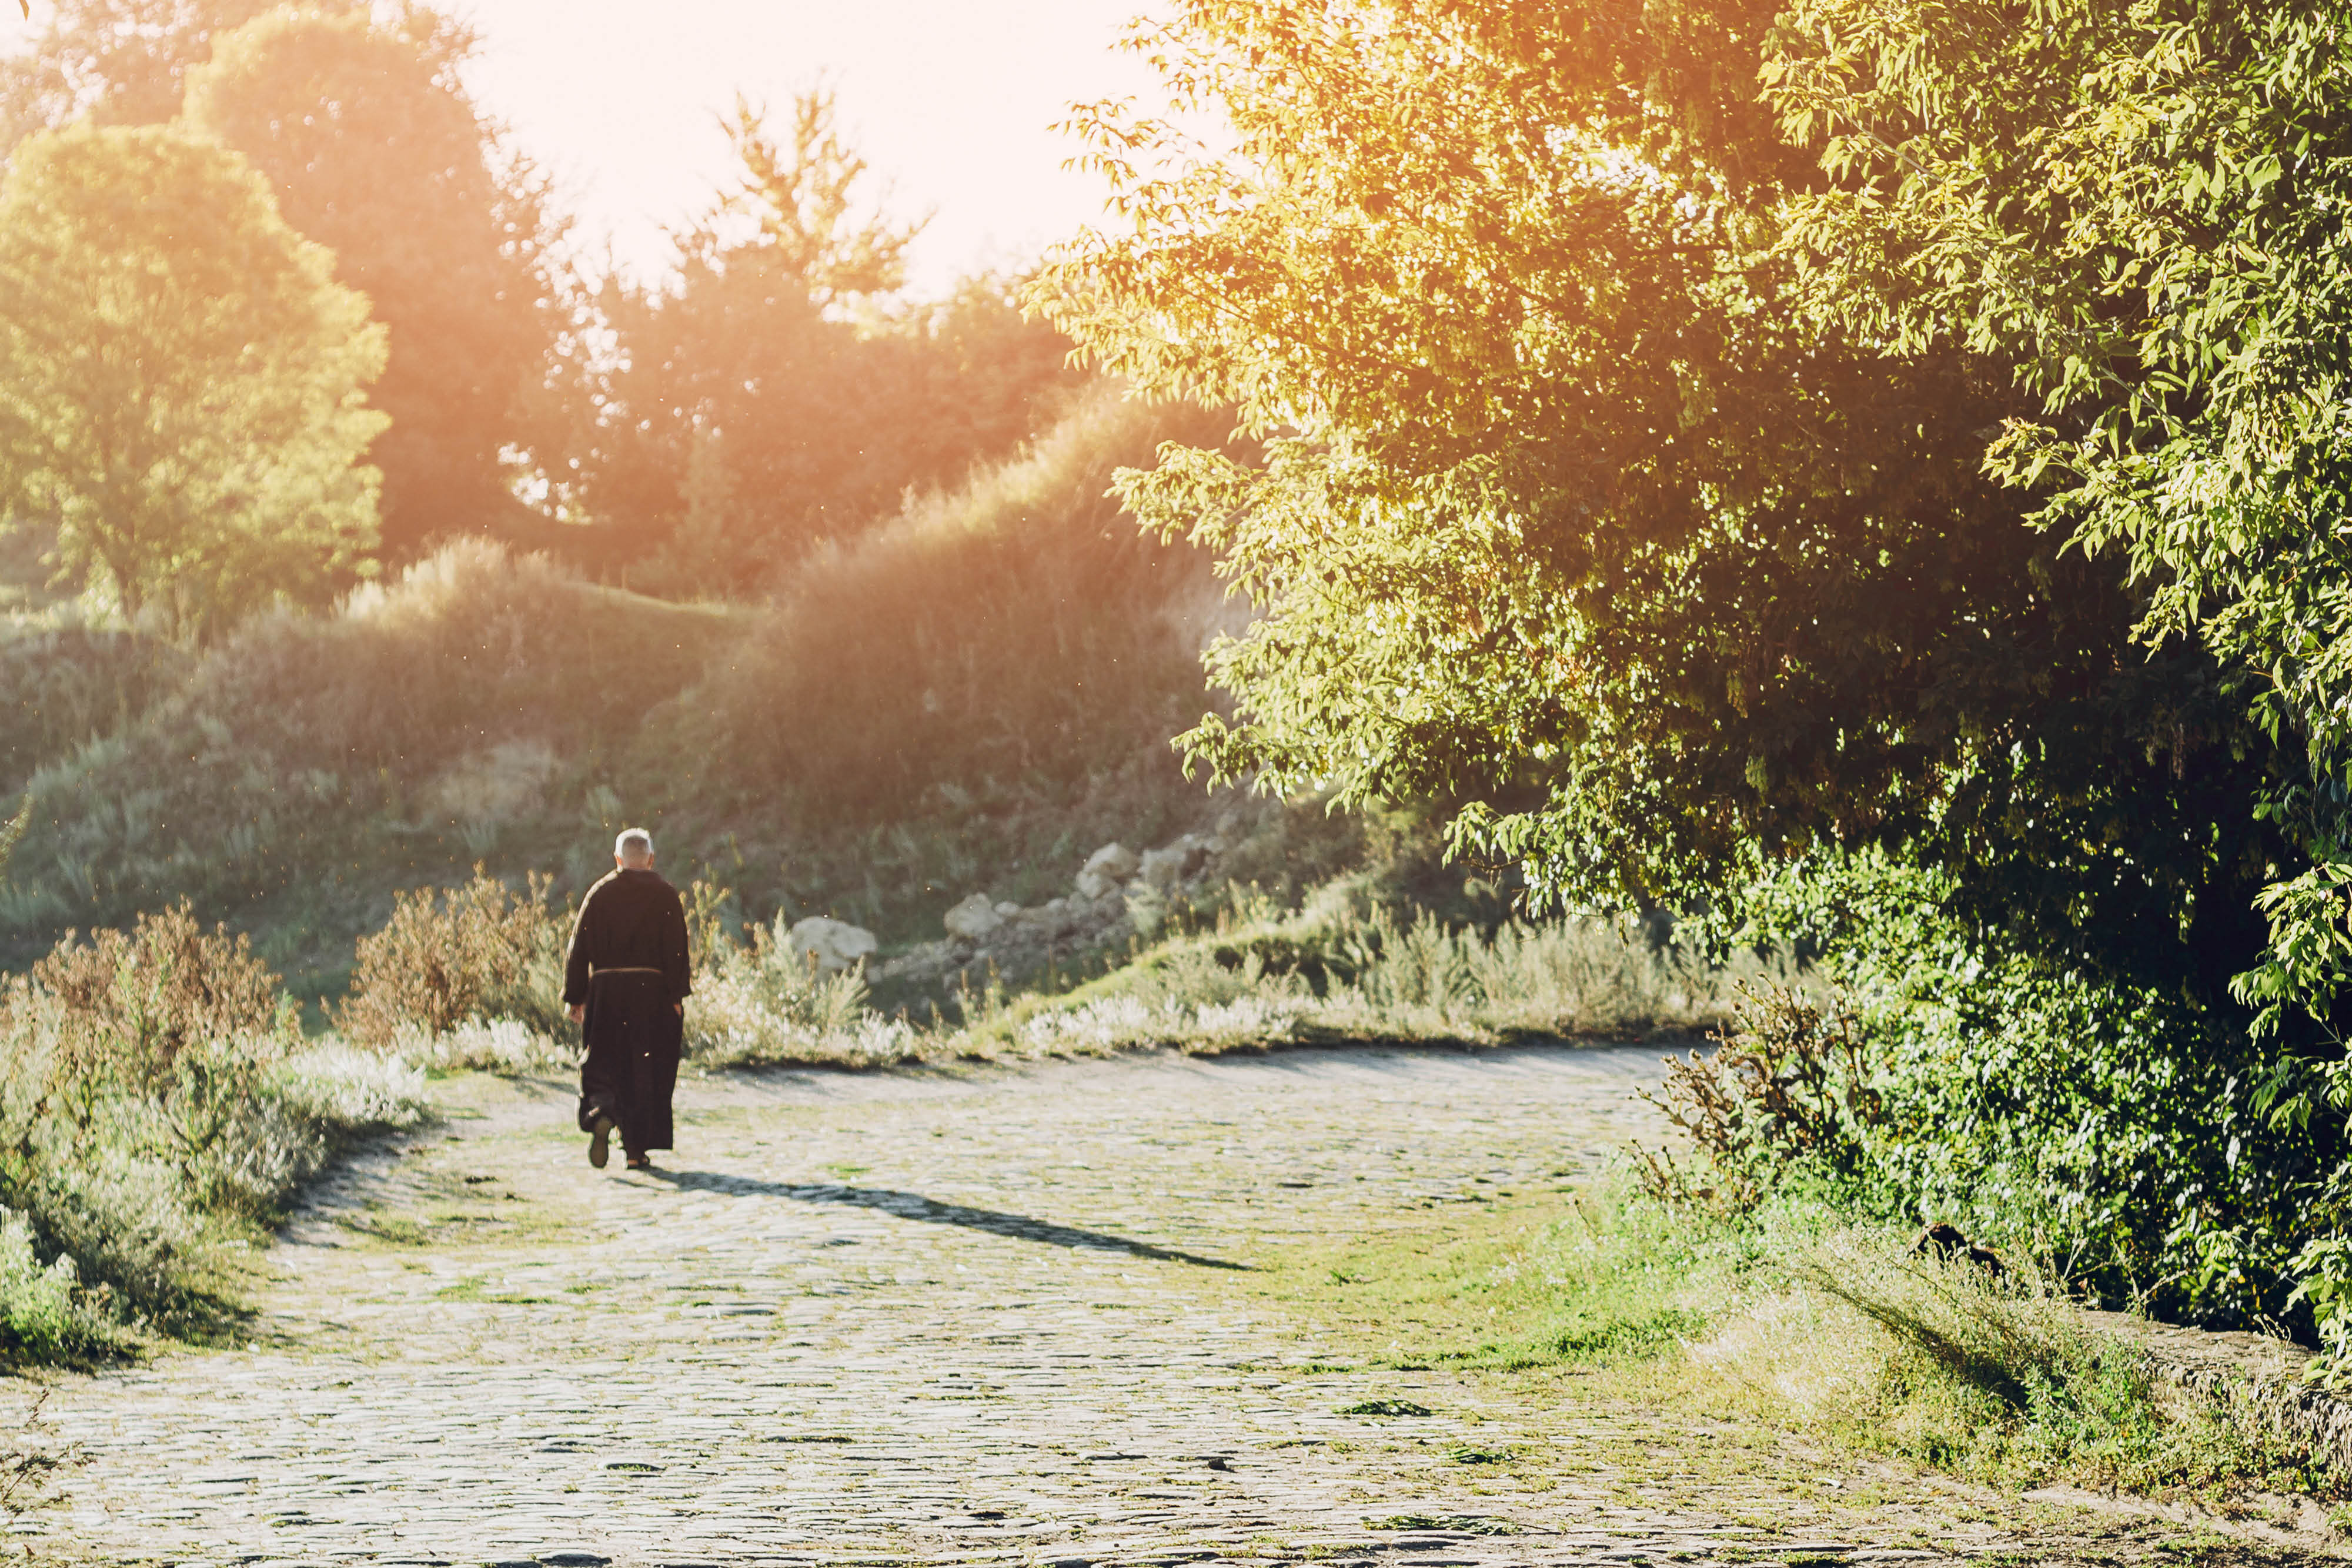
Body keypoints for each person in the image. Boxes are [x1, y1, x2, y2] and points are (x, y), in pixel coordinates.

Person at [564, 828, 691, 1171]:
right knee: (644, 1069)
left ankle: (602, 1111)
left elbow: (578, 948)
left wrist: (576, 996)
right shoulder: (665, 895)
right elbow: (678, 949)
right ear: (650, 859)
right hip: (651, 995)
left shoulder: (600, 893)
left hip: (606, 992)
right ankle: (635, 1152)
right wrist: (676, 996)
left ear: (617, 859)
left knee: (604, 1061)